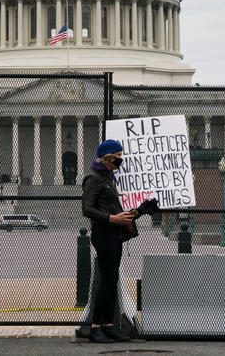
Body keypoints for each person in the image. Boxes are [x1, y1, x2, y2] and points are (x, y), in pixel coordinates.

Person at [81, 139, 136, 343]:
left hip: (114, 234)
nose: (121, 160)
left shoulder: (107, 178)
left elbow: (107, 205)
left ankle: (109, 326)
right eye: (119, 157)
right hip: (103, 233)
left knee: (112, 282)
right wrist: (113, 218)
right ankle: (96, 327)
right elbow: (87, 208)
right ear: (108, 157)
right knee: (107, 281)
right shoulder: (93, 178)